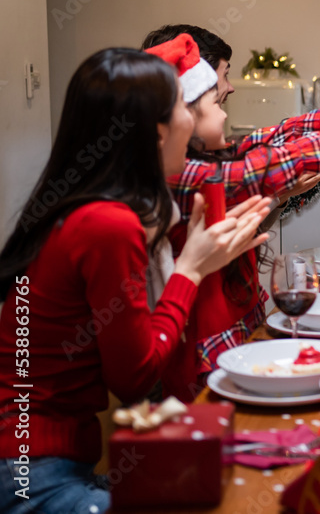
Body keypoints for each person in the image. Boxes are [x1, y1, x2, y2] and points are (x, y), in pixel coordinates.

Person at [0, 48, 271, 514]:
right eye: (185, 108)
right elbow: (136, 377)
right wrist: (191, 269)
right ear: (158, 129)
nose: (194, 121)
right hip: (31, 474)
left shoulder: (81, 206)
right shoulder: (109, 225)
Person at [140, 32, 320, 399]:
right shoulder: (179, 172)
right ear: (182, 116)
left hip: (237, 333)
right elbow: (255, 170)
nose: (226, 106)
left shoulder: (202, 157)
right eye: (214, 99)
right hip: (203, 352)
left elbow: (271, 139)